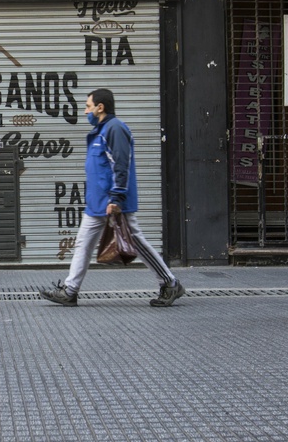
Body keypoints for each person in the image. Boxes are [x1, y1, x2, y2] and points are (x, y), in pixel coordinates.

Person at [39, 88, 184, 307]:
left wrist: (116, 198)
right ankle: (70, 290)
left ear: (100, 107)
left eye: (88, 106)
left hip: (114, 203)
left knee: (136, 242)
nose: (86, 111)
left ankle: (170, 283)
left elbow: (121, 165)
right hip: (97, 204)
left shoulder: (115, 129)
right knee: (83, 244)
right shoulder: (100, 131)